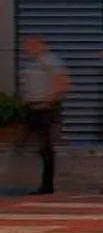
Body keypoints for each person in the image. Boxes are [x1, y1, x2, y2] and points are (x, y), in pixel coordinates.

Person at [18, 38, 70, 196]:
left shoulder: (50, 61)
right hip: (33, 109)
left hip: (45, 110)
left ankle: (47, 184)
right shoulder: (32, 63)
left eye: (30, 45)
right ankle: (29, 179)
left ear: (40, 45)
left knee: (44, 146)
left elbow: (62, 82)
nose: (26, 48)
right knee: (28, 145)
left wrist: (49, 102)